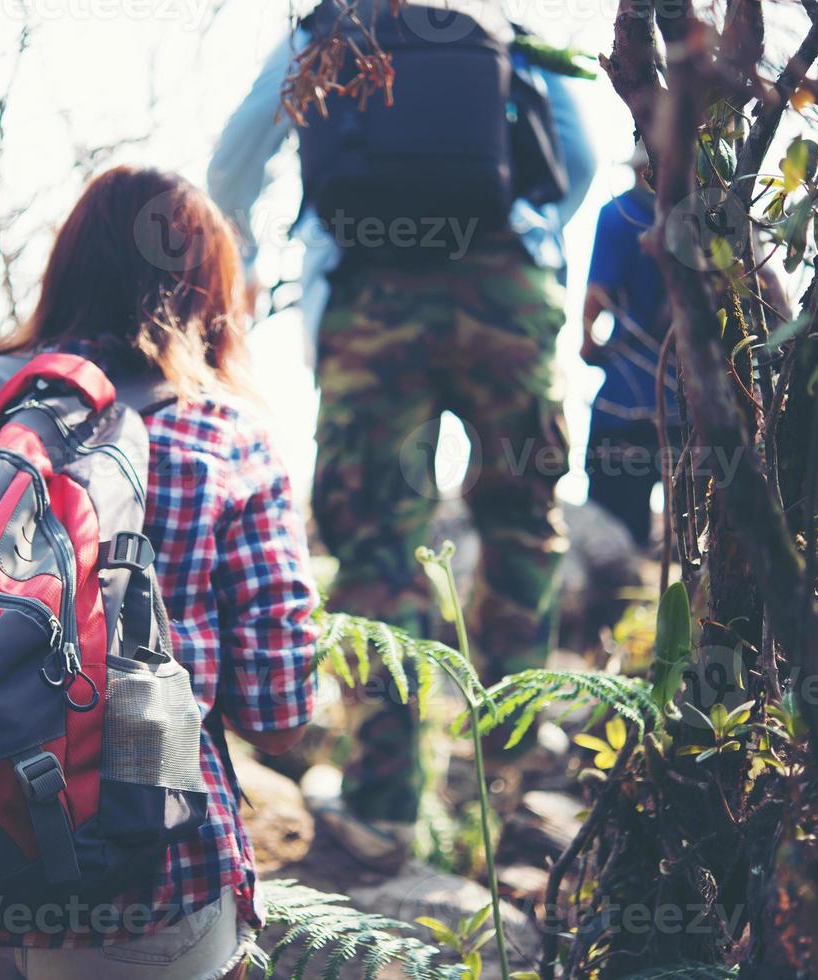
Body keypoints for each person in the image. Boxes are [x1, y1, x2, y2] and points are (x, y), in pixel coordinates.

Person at [0, 167, 320, 980]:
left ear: (65, 267)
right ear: (207, 295)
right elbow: (279, 708)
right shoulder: (225, 435)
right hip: (146, 879)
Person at [208, 0, 594, 872]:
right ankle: (510, 779)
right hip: (507, 288)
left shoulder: (331, 24)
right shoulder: (496, 23)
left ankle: (385, 805)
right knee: (520, 523)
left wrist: (247, 252)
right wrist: (531, 236)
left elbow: (235, 161)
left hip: (371, 298)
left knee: (378, 544)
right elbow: (577, 154)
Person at [580, 146, 676, 547]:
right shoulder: (703, 220)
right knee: (692, 535)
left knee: (612, 537)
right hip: (685, 403)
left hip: (623, 402)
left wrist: (588, 344)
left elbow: (596, 296)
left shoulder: (618, 214)